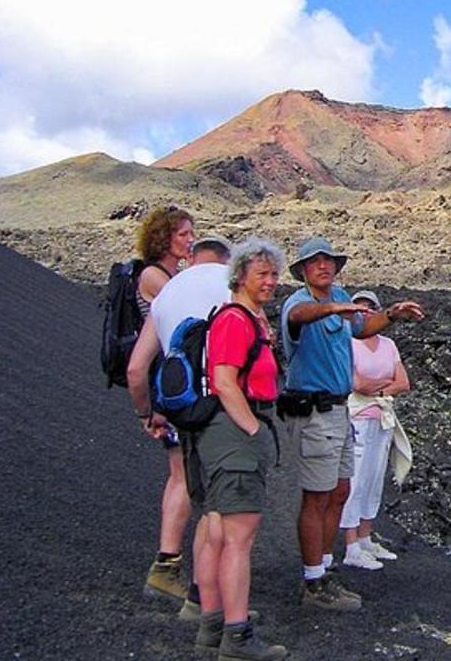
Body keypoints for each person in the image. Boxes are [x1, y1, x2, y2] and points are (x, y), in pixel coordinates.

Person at [279, 237, 423, 610]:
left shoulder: (340, 296)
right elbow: (298, 319)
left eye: (329, 261)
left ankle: (325, 568)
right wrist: (331, 308)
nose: (323, 267)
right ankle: (313, 581)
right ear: (303, 271)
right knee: (317, 494)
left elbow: (361, 327)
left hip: (340, 409)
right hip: (313, 411)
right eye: (315, 262)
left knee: (339, 490)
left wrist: (390, 315)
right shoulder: (299, 303)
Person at [127, 235, 231, 616]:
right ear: (227, 259)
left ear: (192, 258)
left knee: (182, 480)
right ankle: (207, 596)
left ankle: (166, 565)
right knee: (220, 502)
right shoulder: (233, 286)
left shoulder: (169, 292)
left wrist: (146, 413)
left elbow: (137, 368)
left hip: (176, 404)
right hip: (221, 407)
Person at [193, 237, 287, 660]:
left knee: (217, 533)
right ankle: (237, 637)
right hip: (234, 434)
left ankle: (212, 627)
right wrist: (253, 430)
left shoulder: (248, 317)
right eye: (262, 274)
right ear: (240, 277)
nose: (270, 282)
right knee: (237, 540)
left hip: (223, 435)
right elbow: (224, 380)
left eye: (274, 274)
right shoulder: (235, 320)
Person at [129, 206, 196, 601]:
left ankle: (171, 562)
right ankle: (166, 564)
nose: (189, 240)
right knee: (182, 475)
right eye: (183, 234)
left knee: (182, 473)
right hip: (165, 388)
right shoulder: (156, 277)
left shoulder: (169, 276)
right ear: (164, 238)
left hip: (167, 385)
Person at [340, 290, 412, 570]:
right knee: (355, 479)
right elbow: (357, 384)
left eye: (370, 309)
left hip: (382, 416)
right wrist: (383, 385)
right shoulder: (346, 343)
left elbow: (403, 382)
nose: (364, 313)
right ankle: (350, 545)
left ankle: (366, 536)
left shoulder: (388, 344)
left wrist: (377, 388)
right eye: (358, 308)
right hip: (357, 416)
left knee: (373, 477)